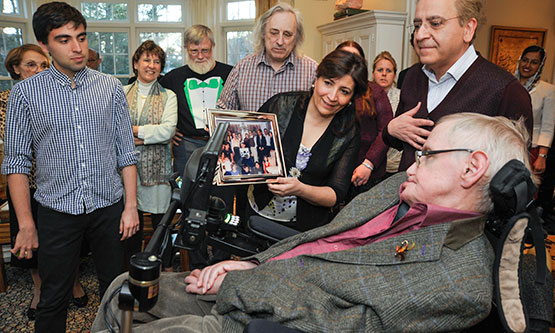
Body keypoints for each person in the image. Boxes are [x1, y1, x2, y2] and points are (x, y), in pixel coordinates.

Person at [92, 112, 532, 332]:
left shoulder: (460, 282)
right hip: (259, 281)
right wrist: (251, 262)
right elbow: (318, 240)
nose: (411, 164)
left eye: (427, 155)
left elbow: (338, 324)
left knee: (123, 307)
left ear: (472, 169)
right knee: (119, 287)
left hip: (259, 321)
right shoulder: (394, 192)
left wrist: (248, 281)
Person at [2, 1, 139, 332]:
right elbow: (16, 162)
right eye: (64, 40)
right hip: (57, 211)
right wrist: (25, 224)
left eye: (81, 36)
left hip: (108, 207)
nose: (77, 47)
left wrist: (131, 206)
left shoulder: (109, 88)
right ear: (45, 44)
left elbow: (126, 152)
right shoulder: (25, 94)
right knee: (53, 297)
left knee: (118, 291)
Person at [382, 0, 533, 170]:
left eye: (435, 23)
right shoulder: (412, 76)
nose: (420, 35)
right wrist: (391, 129)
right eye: (418, 25)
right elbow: (402, 141)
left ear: (468, 29)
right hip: (405, 194)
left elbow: (514, 181)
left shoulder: (505, 91)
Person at [248, 49, 367, 232]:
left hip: (304, 230)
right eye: (328, 83)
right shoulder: (280, 106)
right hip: (254, 214)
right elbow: (245, 147)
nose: (332, 97)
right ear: (316, 78)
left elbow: (336, 193)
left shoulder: (349, 133)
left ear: (352, 98)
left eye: (344, 91)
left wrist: (300, 189)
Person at [123, 40, 177, 271]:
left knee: (160, 225)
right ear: (136, 63)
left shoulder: (169, 96)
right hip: (126, 171)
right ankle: (130, 270)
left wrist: (133, 131)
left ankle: (161, 271)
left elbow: (167, 131)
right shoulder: (121, 93)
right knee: (129, 225)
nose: (151, 65)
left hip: (158, 173)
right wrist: (149, 133)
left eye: (156, 61)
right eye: (146, 59)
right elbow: (114, 128)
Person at [217, 2, 317, 112]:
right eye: (274, 33)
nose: (280, 41)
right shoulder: (241, 69)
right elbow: (222, 111)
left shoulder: (312, 71)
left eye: (287, 35)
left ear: (297, 38)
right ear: (263, 33)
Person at [160, 25, 233, 176]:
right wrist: (169, 130)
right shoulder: (173, 78)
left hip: (224, 143)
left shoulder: (231, 73)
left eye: (205, 50)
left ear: (213, 46)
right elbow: (155, 106)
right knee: (186, 195)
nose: (200, 56)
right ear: (186, 48)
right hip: (187, 145)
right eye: (194, 51)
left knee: (222, 193)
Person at [335, 41, 392, 199]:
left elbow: (386, 131)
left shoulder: (375, 91)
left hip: (366, 174)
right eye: (345, 57)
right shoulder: (328, 91)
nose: (350, 63)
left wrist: (368, 164)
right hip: (332, 174)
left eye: (355, 59)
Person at [514, 45, 555, 175]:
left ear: (540, 66)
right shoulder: (509, 84)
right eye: (525, 60)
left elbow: (547, 127)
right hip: (505, 144)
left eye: (534, 62)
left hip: (531, 150)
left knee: (525, 189)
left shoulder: (548, 90)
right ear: (520, 61)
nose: (527, 65)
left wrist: (541, 157)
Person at [371, 51, 403, 178]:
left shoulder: (402, 97)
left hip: (394, 164)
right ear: (373, 73)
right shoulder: (364, 96)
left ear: (394, 74)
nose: (384, 74)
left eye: (388, 71)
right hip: (367, 162)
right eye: (380, 70)